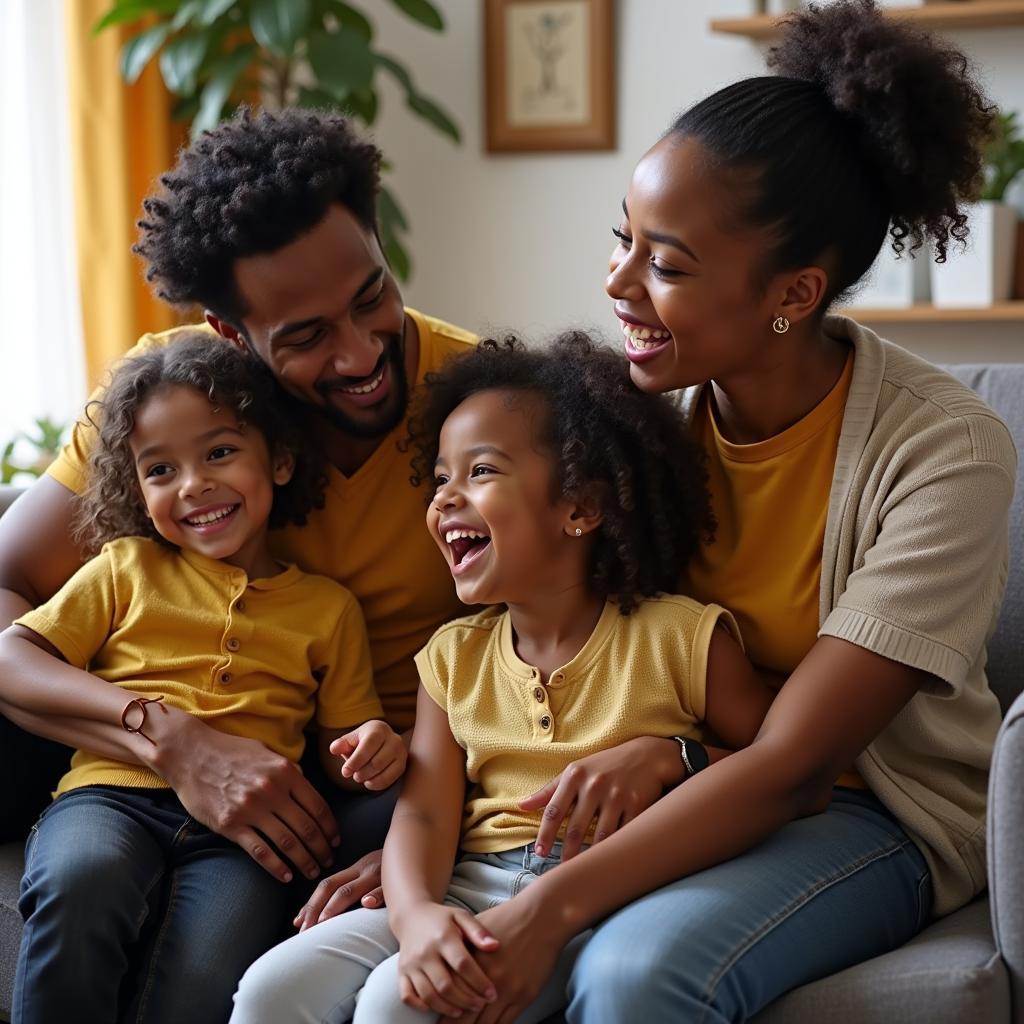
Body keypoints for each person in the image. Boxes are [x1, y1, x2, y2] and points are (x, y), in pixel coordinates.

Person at [380, 4, 1010, 1022]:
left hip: (869, 813)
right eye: (623, 242)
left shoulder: (944, 449)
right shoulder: (634, 430)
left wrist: (552, 901)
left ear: (792, 294)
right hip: (671, 791)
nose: (616, 284)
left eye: (666, 266)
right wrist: (425, 881)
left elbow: (800, 761)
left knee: (630, 975)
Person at [229, 332, 778, 1024]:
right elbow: (425, 813)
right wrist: (418, 917)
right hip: (466, 884)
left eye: (480, 472)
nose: (445, 500)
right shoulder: (452, 657)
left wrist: (676, 760)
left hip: (600, 900)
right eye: (439, 479)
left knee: (394, 1008)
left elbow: (782, 774)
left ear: (579, 507)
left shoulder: (683, 637)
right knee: (268, 992)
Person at [0, 108, 475, 905]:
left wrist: (422, 835)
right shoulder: (169, 395)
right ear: (229, 333)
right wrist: (175, 743)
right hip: (146, 755)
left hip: (362, 776)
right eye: (306, 335)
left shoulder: (482, 397)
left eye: (372, 297)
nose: (360, 353)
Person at [0, 335, 407, 1024]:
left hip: (244, 840)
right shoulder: (124, 569)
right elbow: (15, 653)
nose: (193, 484)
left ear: (278, 460)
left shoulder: (329, 609)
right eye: (161, 469)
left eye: (219, 453)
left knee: (212, 965)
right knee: (81, 878)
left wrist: (373, 747)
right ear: (136, 487)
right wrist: (146, 721)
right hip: (107, 797)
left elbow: (344, 750)